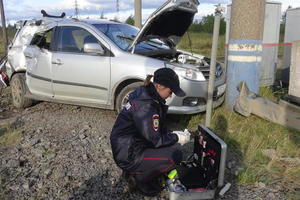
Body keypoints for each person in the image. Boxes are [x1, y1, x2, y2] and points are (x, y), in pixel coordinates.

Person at [110, 68, 191, 196]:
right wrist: (176, 137)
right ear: (159, 86)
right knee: (175, 155)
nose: (171, 96)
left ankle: (139, 170)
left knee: (170, 146)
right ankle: (138, 179)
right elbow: (156, 139)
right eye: (170, 91)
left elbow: (154, 129)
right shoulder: (146, 105)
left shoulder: (147, 95)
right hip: (129, 154)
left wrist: (172, 134)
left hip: (130, 146)